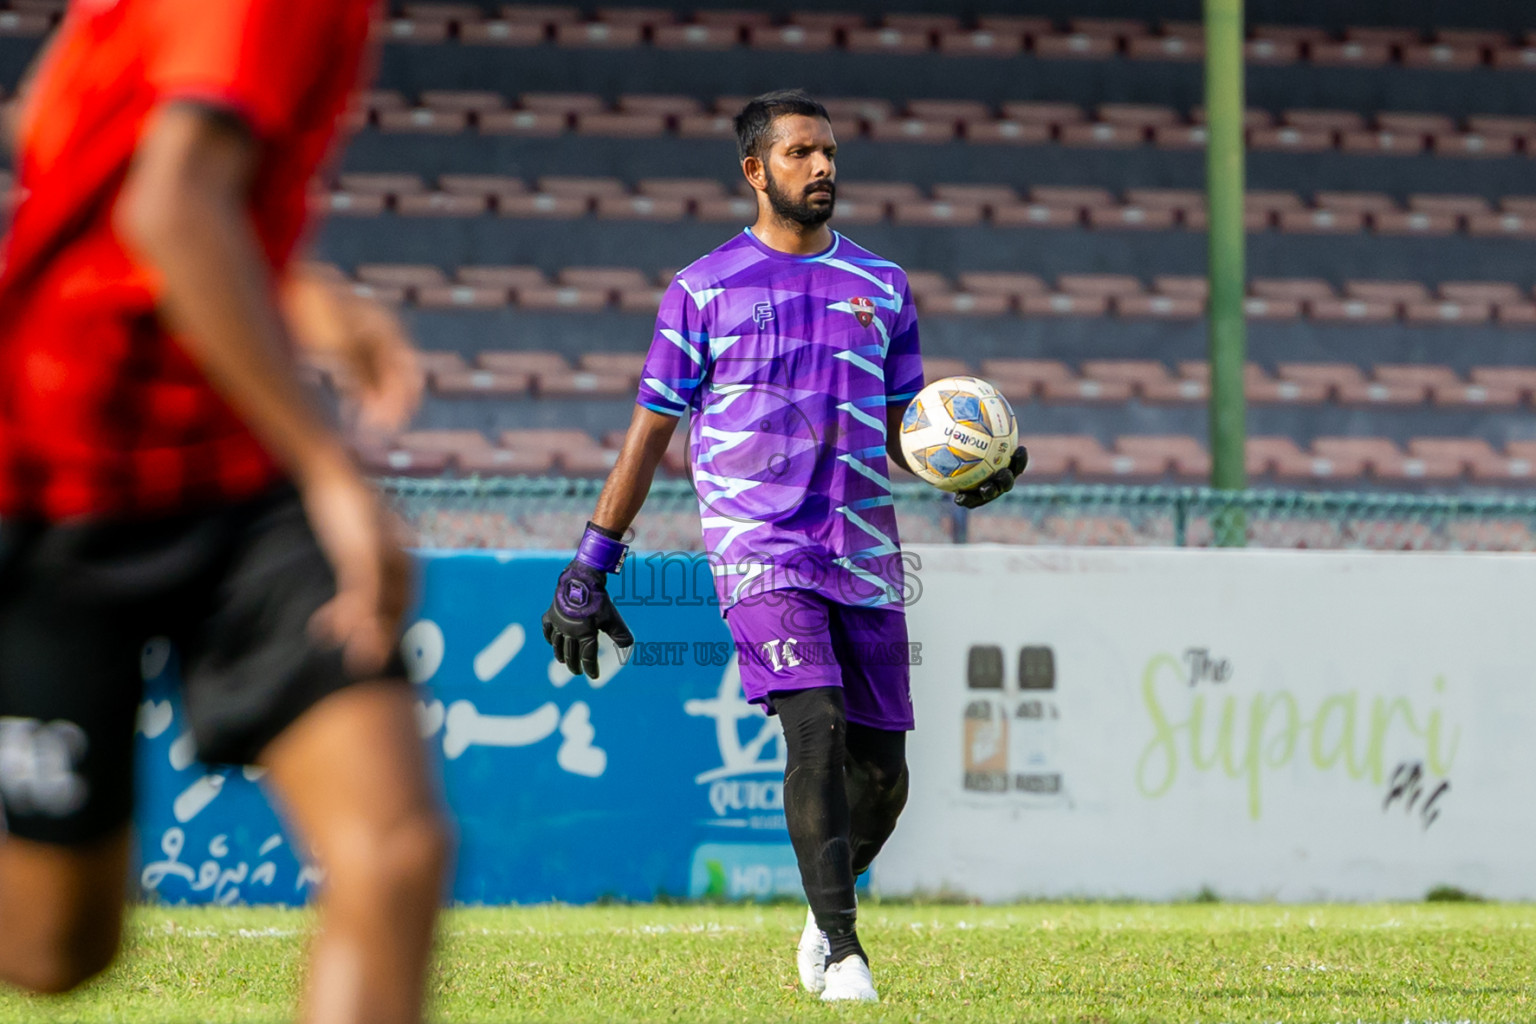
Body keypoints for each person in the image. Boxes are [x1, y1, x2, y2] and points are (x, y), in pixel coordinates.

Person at [0, 3, 449, 1023]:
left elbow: (56, 123)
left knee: (393, 850)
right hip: (56, 479)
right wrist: (335, 476)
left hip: (236, 478)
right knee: (51, 946)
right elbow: (169, 203)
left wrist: (277, 284)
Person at [541, 89, 1026, 1003]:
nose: (824, 168)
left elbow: (903, 435)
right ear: (756, 171)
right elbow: (650, 435)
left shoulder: (883, 287)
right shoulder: (702, 290)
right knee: (816, 728)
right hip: (759, 548)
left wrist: (967, 469)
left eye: (830, 153)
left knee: (884, 776)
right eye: (802, 153)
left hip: (866, 550)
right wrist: (591, 562)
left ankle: (818, 910)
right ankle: (844, 952)